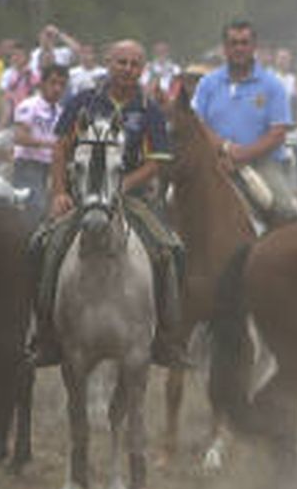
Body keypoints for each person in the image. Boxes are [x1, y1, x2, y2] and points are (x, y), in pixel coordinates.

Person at [29, 40, 185, 368]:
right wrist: (59, 192)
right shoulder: (83, 101)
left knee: (171, 249)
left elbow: (156, 162)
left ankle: (168, 338)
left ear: (142, 69)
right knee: (42, 244)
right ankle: (44, 334)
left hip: (133, 197)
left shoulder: (149, 110)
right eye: (121, 62)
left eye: (134, 64)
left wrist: (122, 184)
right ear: (108, 63)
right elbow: (61, 148)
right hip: (84, 196)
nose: (128, 69)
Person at [192, 20, 297, 226]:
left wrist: (242, 155)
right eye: (233, 43)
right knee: (172, 200)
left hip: (262, 163)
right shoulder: (208, 83)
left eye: (244, 43)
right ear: (225, 48)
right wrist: (225, 149)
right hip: (214, 160)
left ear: (254, 47)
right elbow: (197, 123)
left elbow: (278, 133)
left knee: (287, 211)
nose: (239, 48)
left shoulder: (273, 85)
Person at [10, 62, 69, 220]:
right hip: (29, 164)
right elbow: (19, 137)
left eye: (62, 85)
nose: (57, 89)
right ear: (42, 83)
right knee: (36, 206)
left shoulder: (62, 113)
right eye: (53, 83)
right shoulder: (29, 106)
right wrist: (51, 145)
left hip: (52, 167)